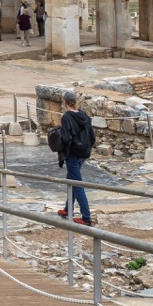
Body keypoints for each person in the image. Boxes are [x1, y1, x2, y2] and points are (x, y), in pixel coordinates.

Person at [55, 89, 95, 225]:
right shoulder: (84, 116)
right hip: (83, 153)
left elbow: (66, 138)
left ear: (65, 102)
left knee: (77, 184)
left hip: (72, 154)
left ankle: (86, 217)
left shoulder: (66, 117)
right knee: (71, 180)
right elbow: (92, 137)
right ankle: (68, 209)